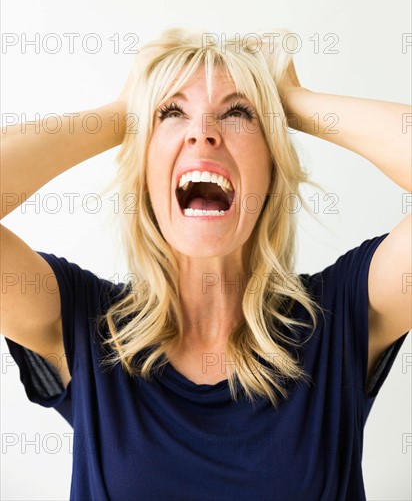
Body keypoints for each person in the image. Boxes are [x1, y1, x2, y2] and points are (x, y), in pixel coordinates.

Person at [1, 27, 411, 501]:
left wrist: (296, 103)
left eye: (238, 112)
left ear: (272, 167)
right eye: (172, 113)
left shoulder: (342, 316)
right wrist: (118, 115)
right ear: (145, 173)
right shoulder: (81, 323)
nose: (203, 132)